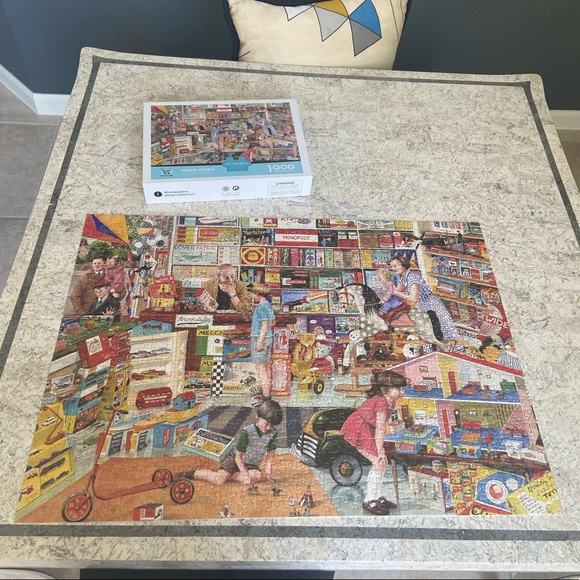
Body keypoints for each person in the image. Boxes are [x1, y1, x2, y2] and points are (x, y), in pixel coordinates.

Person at [341, 370, 406, 516]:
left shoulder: (391, 401)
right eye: (398, 389)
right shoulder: (381, 402)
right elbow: (380, 427)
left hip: (367, 428)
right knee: (378, 462)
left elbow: (384, 424)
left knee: (381, 463)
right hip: (358, 428)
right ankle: (369, 501)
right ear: (385, 390)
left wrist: (381, 446)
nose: (402, 392)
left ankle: (377, 497)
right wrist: (380, 450)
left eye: (403, 389)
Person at [180, 399, 283, 489]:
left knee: (257, 476)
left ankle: (232, 475)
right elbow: (238, 457)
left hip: (251, 464)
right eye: (266, 423)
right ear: (257, 417)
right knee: (219, 480)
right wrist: (245, 474)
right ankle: (190, 474)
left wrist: (269, 474)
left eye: (272, 425)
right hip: (234, 459)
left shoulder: (272, 434)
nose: (268, 428)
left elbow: (270, 457)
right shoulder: (247, 431)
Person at [387, 254, 460, 341]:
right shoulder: (403, 278)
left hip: (431, 305)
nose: (393, 268)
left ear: (403, 265)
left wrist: (396, 293)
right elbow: (397, 291)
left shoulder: (413, 278)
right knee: (428, 332)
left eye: (395, 266)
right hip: (422, 305)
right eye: (392, 266)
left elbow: (413, 298)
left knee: (443, 329)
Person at [250, 282, 275, 405]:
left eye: (253, 293)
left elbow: (265, 325)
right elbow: (273, 323)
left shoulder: (260, 308)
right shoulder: (269, 306)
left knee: (260, 369)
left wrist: (260, 342)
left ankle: (265, 397)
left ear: (258, 294)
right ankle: (267, 394)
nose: (252, 296)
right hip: (269, 338)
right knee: (266, 367)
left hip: (260, 338)